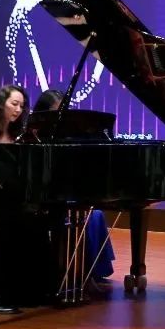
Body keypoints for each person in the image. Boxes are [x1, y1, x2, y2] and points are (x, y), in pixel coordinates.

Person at [30, 87, 115, 282]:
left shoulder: (66, 138)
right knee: (85, 216)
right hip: (44, 200)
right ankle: (77, 272)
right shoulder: (34, 138)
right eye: (57, 112)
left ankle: (91, 271)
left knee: (95, 214)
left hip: (61, 196)